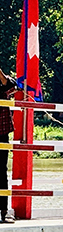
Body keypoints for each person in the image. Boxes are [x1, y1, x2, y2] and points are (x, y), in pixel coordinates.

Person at [0, 69, 16, 223]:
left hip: (1, 132)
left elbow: (11, 86)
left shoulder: (4, 82)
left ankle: (4, 211)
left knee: (1, 171)